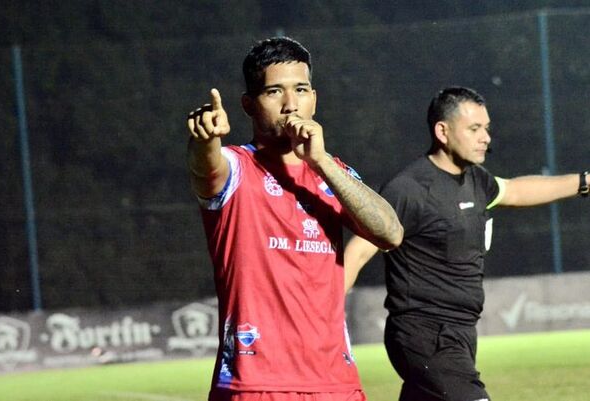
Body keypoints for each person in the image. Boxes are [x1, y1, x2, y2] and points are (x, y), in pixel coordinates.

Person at [186, 37, 403, 401]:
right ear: (248, 105)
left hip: (337, 383)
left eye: (300, 90)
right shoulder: (237, 168)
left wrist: (321, 162)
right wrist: (206, 139)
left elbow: (390, 233)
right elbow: (205, 167)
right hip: (255, 385)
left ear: (313, 99)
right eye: (274, 92)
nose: (291, 104)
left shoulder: (332, 173)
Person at [344, 86, 589, 401]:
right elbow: (357, 252)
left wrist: (584, 182)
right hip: (424, 334)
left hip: (461, 333)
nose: (485, 137)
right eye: (474, 129)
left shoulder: (476, 180)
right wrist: (323, 322)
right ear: (443, 131)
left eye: (486, 128)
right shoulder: (409, 189)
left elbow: (515, 190)